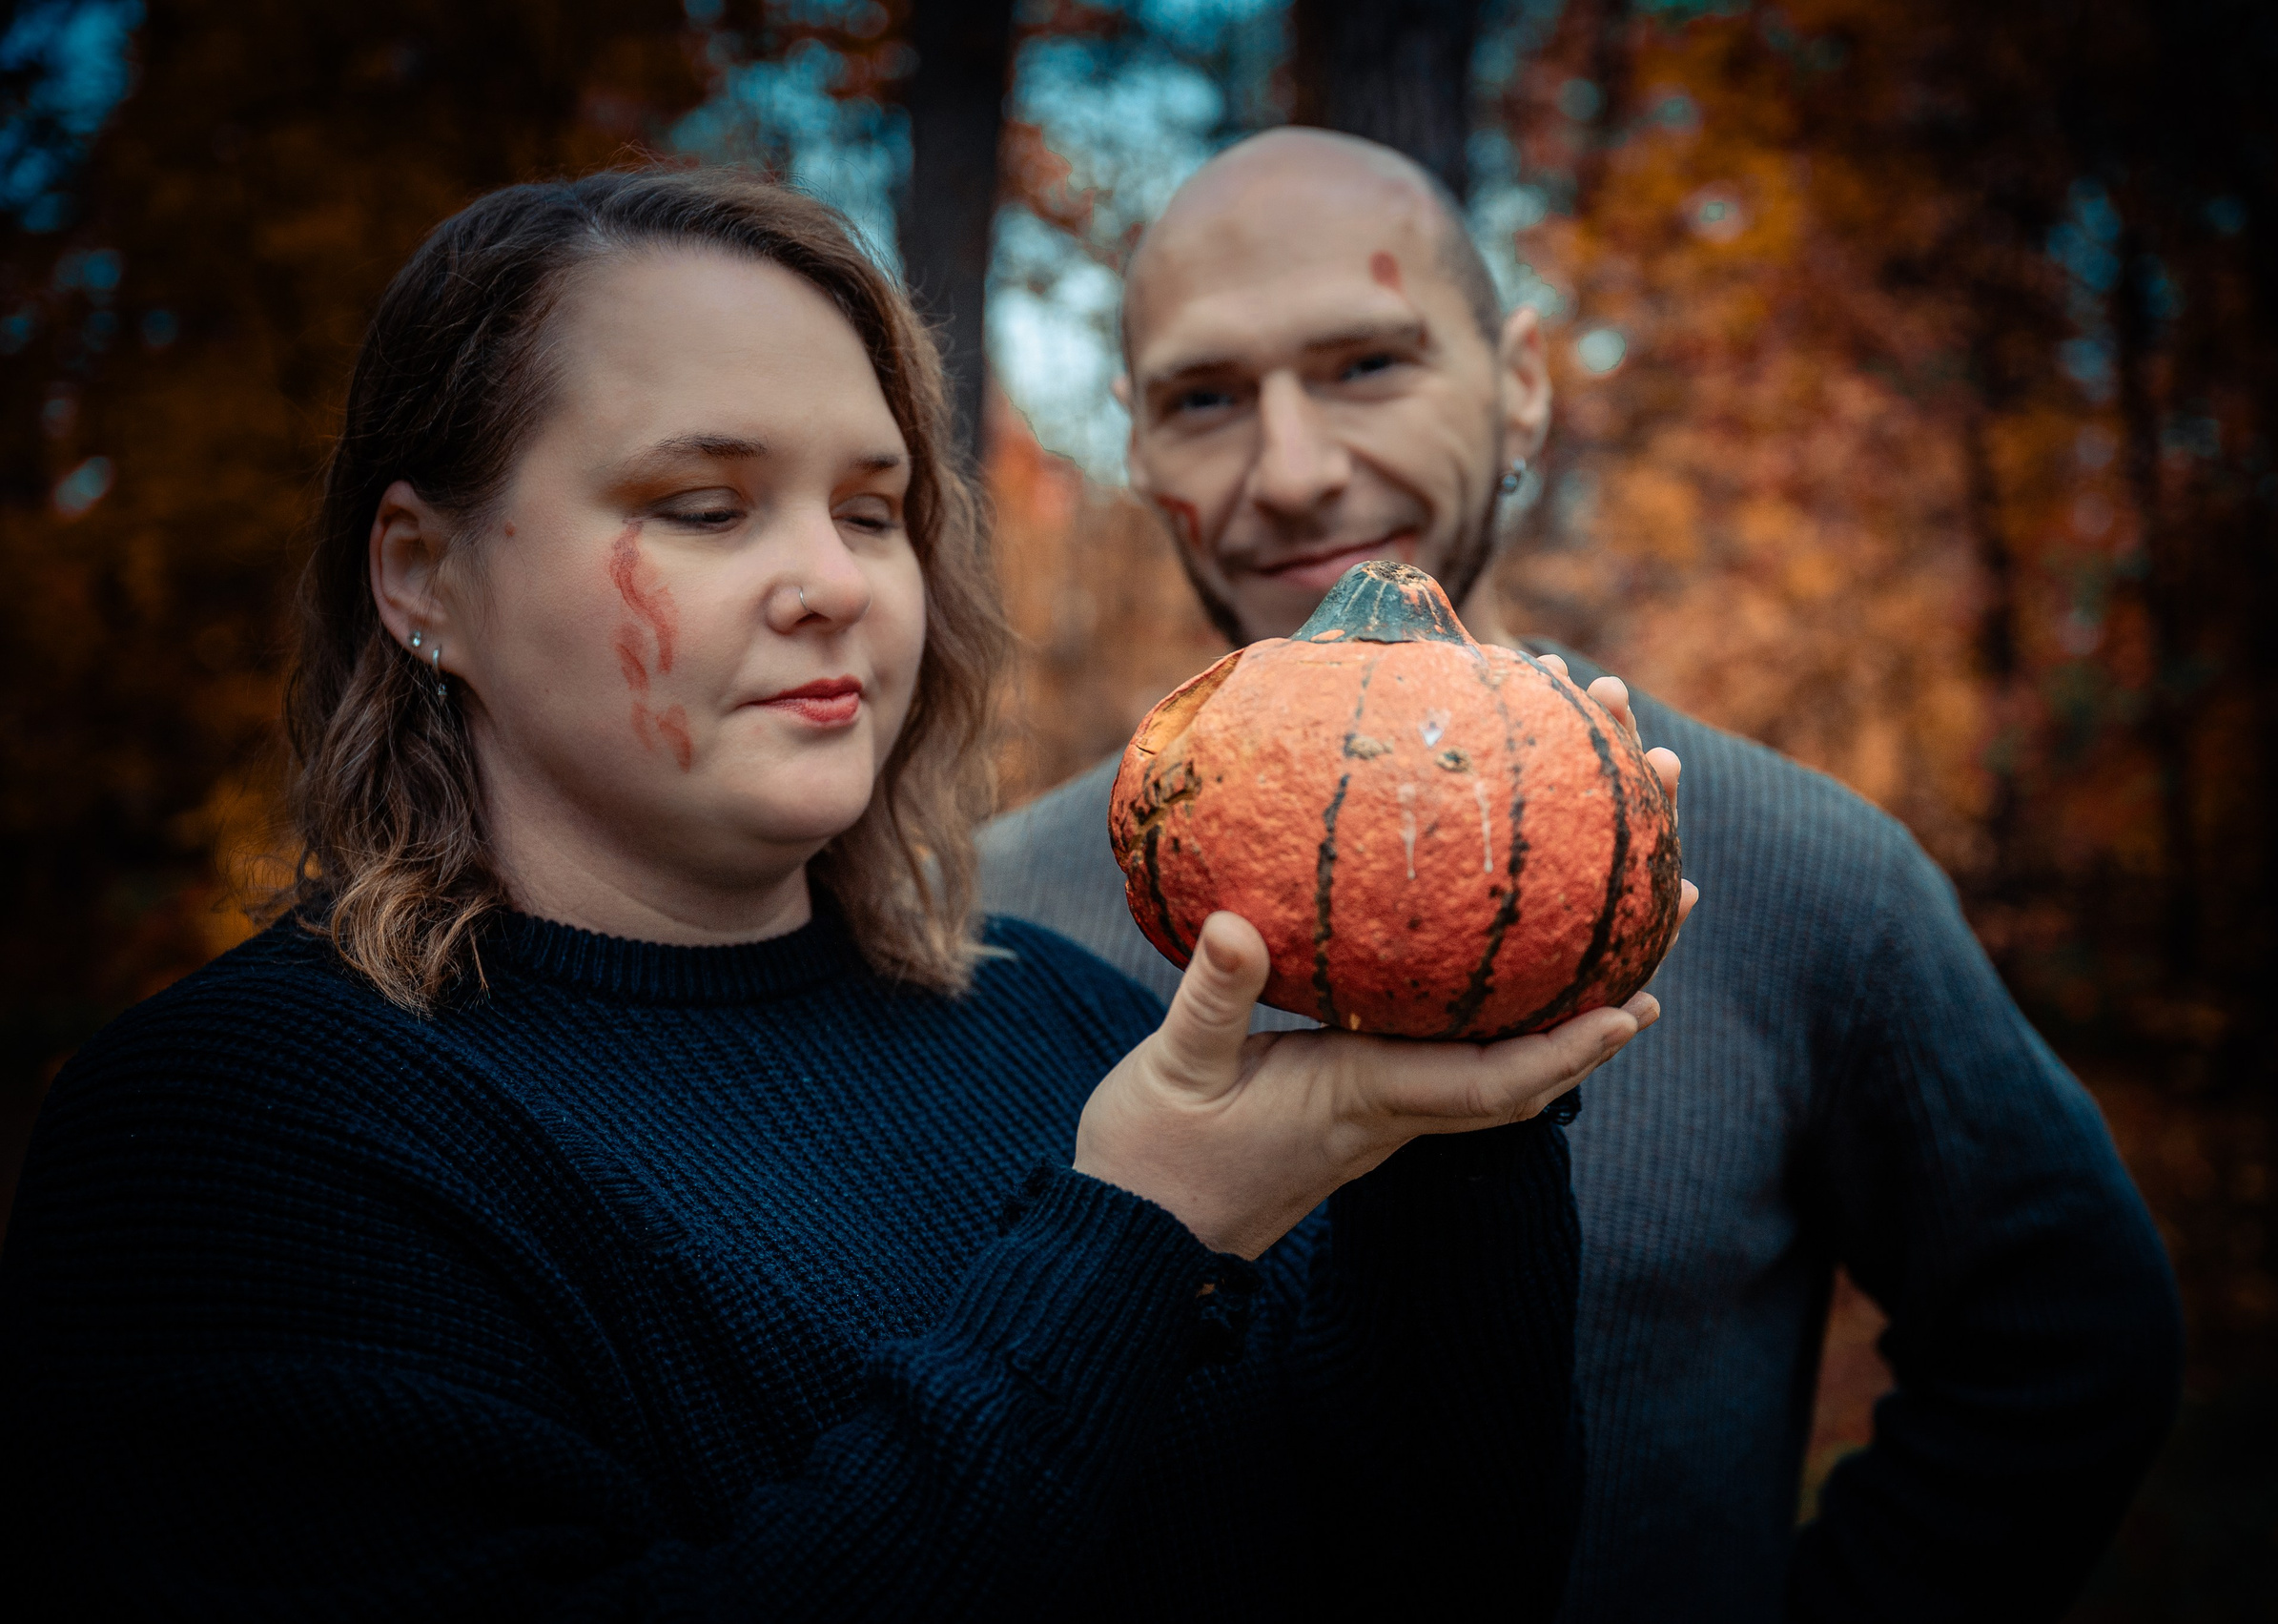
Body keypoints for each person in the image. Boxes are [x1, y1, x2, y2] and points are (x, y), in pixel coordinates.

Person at [0, 168, 1679, 1620]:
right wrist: (1135, 1235)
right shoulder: (237, 1135)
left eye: (873, 512)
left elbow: (1439, 1583)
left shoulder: (1058, 1015)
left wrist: (1462, 1107)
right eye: (706, 506)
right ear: (423, 575)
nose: (832, 586)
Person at [977, 128, 2186, 1621]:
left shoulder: (1802, 866)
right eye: (1205, 398)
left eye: (1369, 365)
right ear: (1141, 446)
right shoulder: (990, 915)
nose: (1291, 471)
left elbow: (2072, 1339)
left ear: (1522, 385)